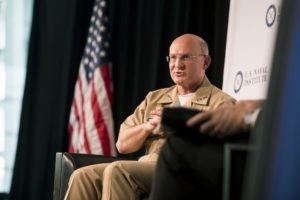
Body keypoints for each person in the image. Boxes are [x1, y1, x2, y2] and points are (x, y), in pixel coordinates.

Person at [64, 33, 236, 200]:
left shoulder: (221, 103)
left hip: (186, 171)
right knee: (82, 176)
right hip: (148, 166)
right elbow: (122, 145)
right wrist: (149, 126)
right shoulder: (155, 98)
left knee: (118, 171)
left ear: (205, 62)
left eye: (186, 57)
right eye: (173, 58)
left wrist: (180, 124)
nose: (177, 64)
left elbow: (219, 153)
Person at [148, 99, 264, 200]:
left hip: (268, 158)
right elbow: (128, 142)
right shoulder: (152, 96)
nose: (177, 71)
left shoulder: (220, 99)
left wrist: (250, 117)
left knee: (177, 147)